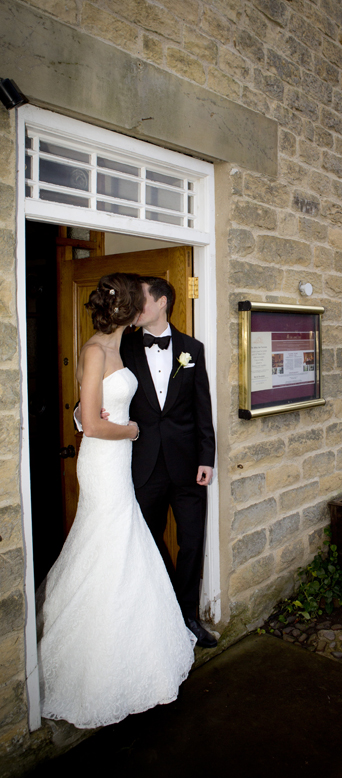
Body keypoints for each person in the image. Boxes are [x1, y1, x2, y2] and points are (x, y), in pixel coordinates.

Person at [37, 273, 196, 729]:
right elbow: (89, 420)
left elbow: (96, 406)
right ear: (126, 310)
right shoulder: (92, 351)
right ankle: (96, 659)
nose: (144, 306)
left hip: (118, 463)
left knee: (121, 546)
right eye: (138, 300)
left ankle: (133, 645)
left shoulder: (120, 348)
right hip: (104, 462)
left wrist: (112, 422)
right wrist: (127, 430)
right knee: (109, 544)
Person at [120, 277, 217, 649]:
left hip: (189, 464)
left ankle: (189, 615)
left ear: (162, 302)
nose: (134, 305)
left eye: (141, 299)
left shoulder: (192, 348)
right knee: (147, 538)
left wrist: (206, 458)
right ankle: (165, 607)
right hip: (143, 464)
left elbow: (202, 409)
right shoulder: (124, 345)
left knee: (192, 541)